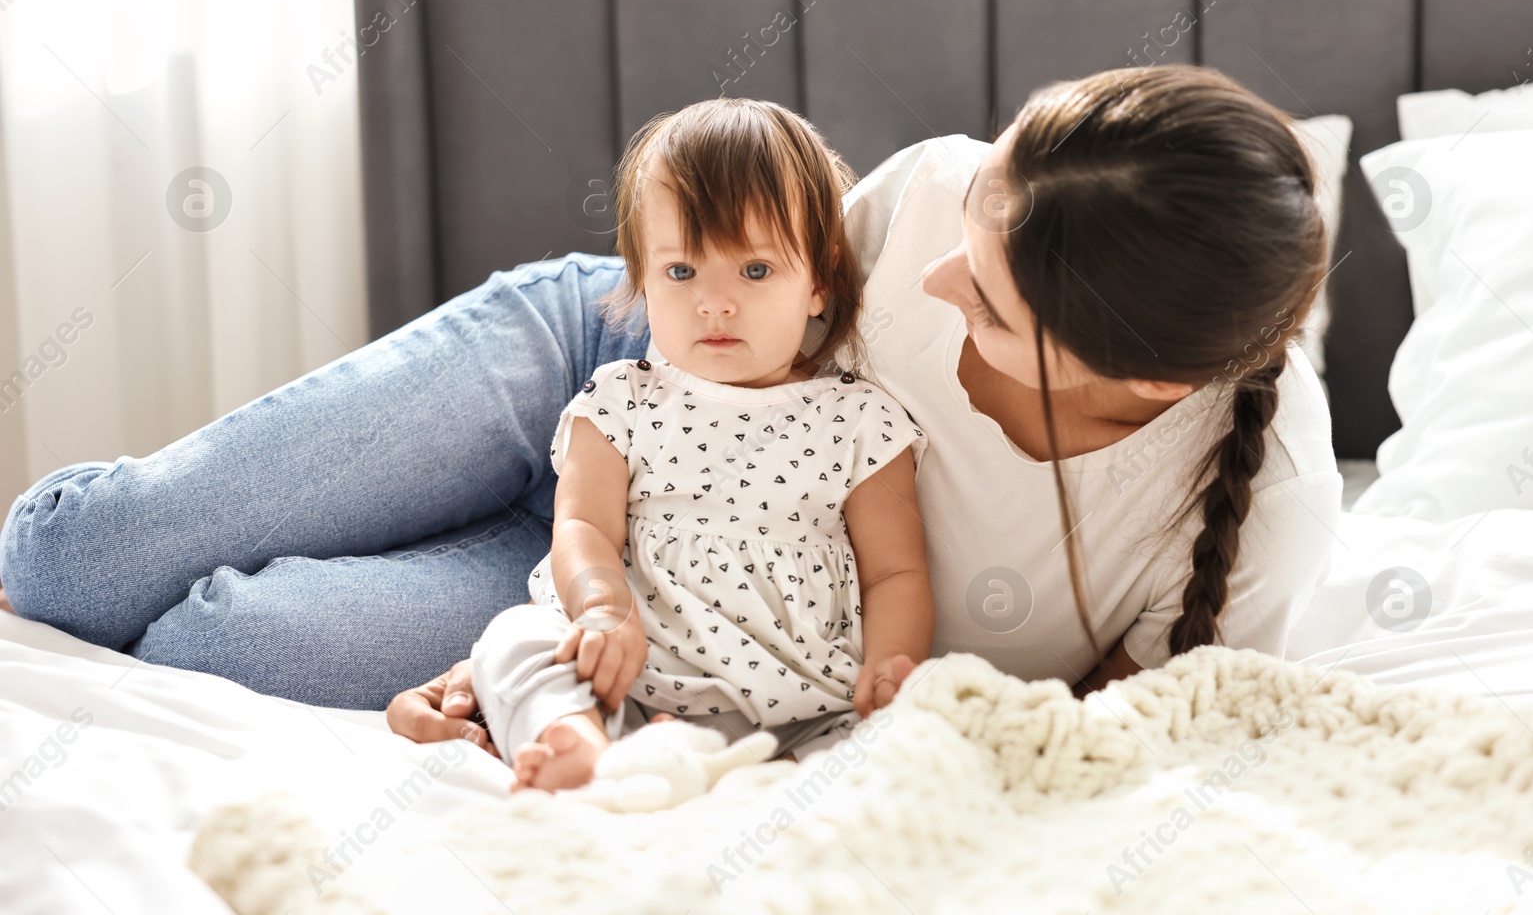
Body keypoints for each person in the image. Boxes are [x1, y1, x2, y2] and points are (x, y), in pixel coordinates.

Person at [1, 66, 1339, 757]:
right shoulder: (937, 192)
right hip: (605, 364)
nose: (929, 280)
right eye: (971, 217)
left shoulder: (1252, 515)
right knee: (69, 564)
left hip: (670, 607)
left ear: (1150, 380)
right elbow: (744, 295)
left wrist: (528, 654)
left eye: (983, 302)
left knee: (208, 642)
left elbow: (1101, 741)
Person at [468, 98, 929, 792]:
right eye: (682, 272)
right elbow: (583, 524)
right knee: (512, 638)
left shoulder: (860, 419)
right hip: (632, 678)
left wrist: (891, 667)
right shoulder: (620, 400)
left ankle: (774, 779)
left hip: (799, 704)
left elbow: (896, 572)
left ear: (819, 282)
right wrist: (602, 607)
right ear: (643, 278)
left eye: (754, 270)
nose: (714, 302)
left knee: (893, 743)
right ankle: (578, 739)